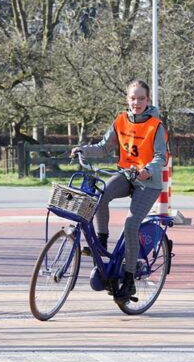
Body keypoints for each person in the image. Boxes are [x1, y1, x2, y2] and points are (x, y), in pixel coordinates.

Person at [71, 79, 168, 301]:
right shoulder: (121, 121)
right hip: (126, 175)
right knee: (100, 197)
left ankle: (130, 278)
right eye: (133, 98)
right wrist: (82, 150)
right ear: (127, 99)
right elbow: (104, 147)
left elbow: (160, 157)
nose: (137, 102)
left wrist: (148, 170)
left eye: (141, 98)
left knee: (131, 223)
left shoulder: (156, 126)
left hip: (147, 181)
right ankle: (102, 243)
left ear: (148, 100)